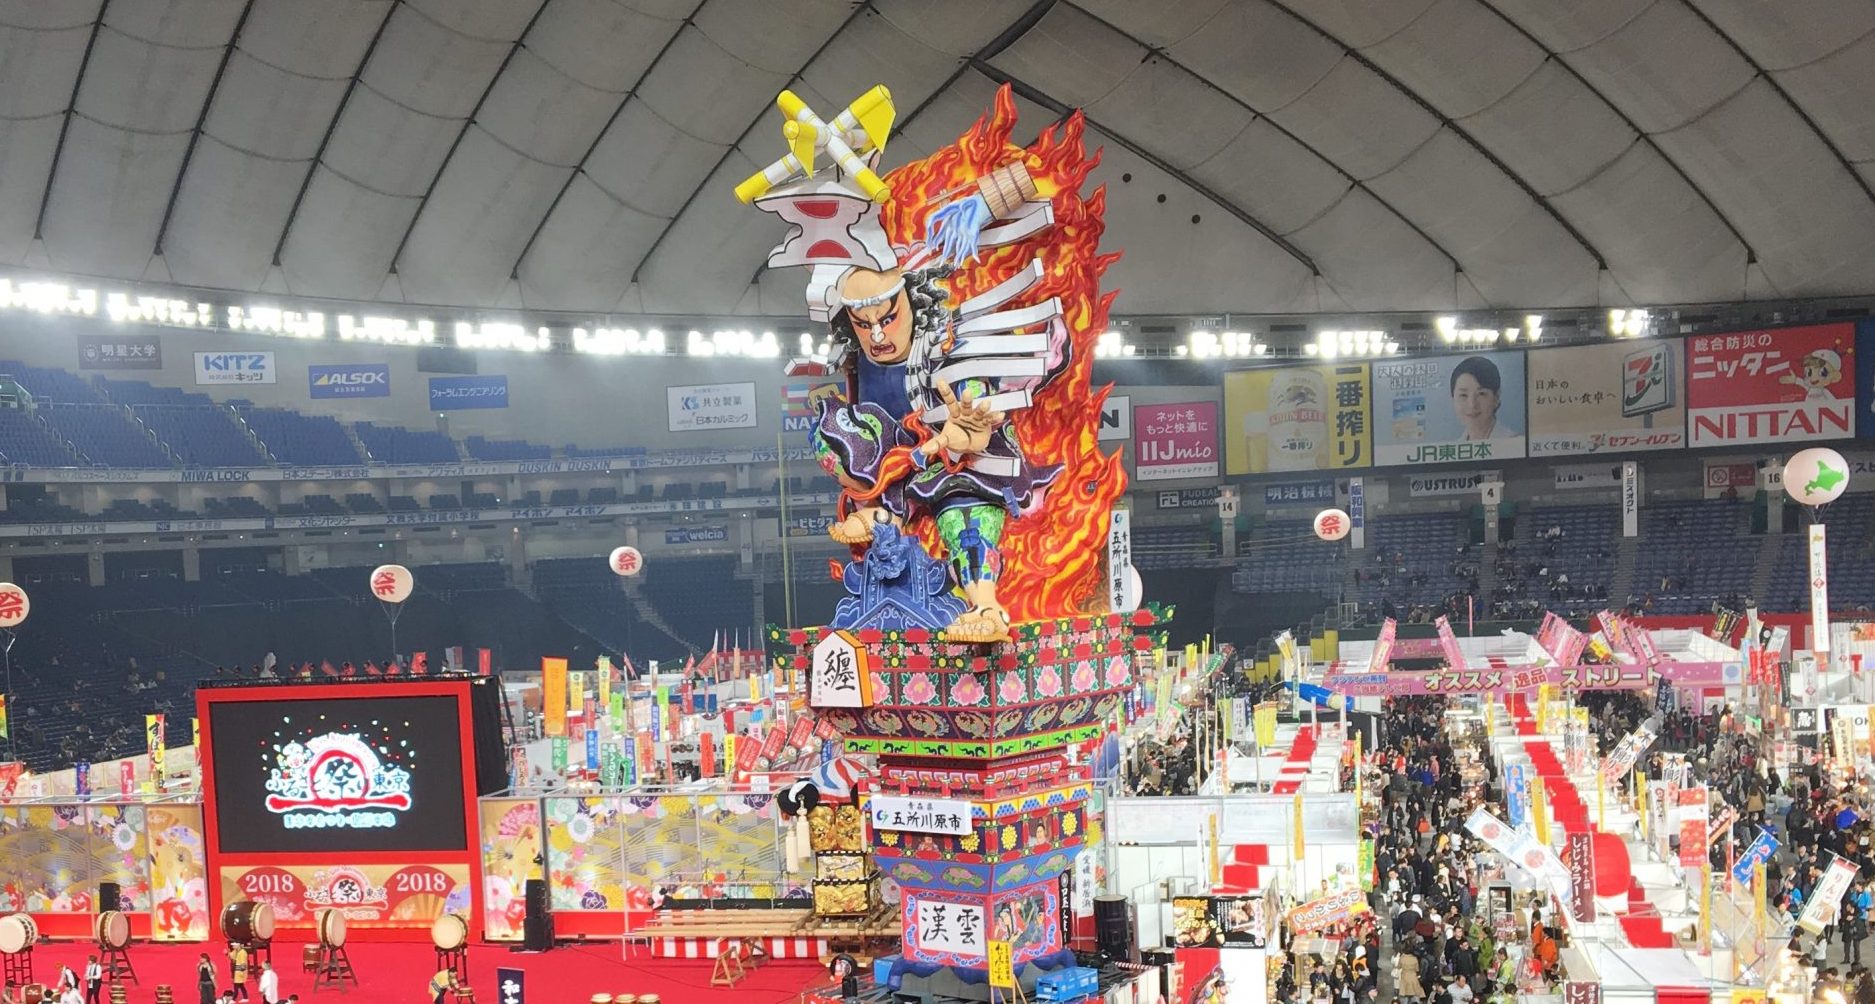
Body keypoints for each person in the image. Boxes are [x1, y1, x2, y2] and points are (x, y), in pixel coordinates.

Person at [1449, 356, 1515, 441]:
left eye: (1481, 394)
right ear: (1452, 398)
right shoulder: (1456, 449)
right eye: (1463, 395)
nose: (1472, 404)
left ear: (1496, 397)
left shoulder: (1513, 442)